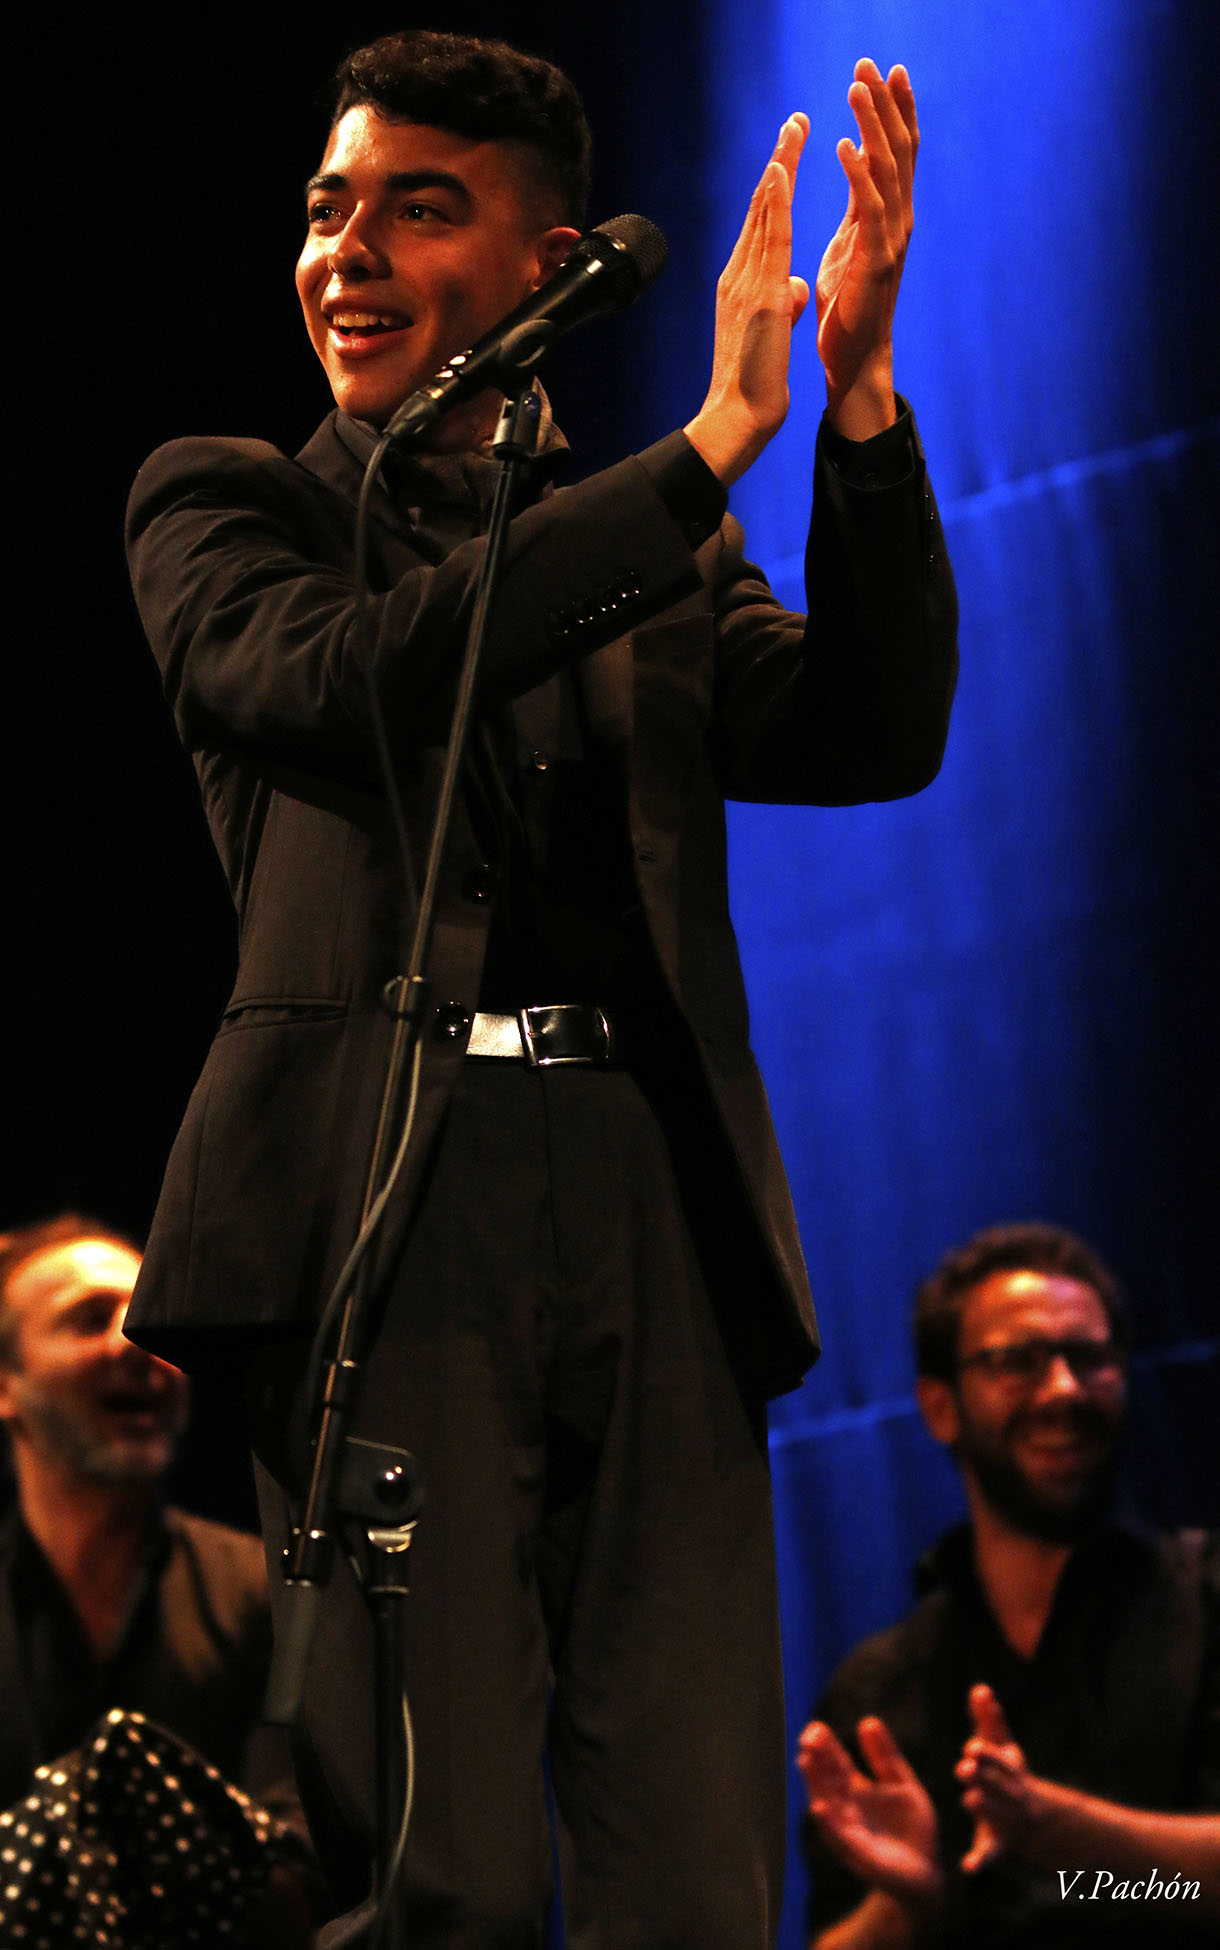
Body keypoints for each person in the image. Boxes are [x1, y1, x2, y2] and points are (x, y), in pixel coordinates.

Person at [123, 29, 958, 1947]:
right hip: (385, 1214)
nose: (349, 250)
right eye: (331, 207)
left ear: (549, 264)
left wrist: (847, 406)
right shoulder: (229, 506)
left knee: (693, 1859)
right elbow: (361, 679)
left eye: (421, 210)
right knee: (450, 1870)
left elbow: (867, 729)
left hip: (652, 1196)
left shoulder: (664, 543)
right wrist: (700, 452)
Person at [797, 1221, 1220, 1946]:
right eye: (1019, 1361)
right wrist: (903, 1904)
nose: (1063, 1388)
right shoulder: (878, 1689)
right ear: (939, 1407)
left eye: (1088, 1357)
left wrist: (1066, 1837)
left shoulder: (1208, 1601)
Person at [0, 1215, 285, 1848]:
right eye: (89, 1318)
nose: (136, 1342)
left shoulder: (269, 1592)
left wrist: (13, 1856)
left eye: (148, 1318)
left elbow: (298, 1862)